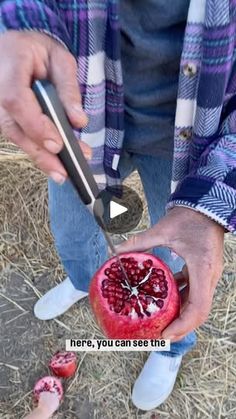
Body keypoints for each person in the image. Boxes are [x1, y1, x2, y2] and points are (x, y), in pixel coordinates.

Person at [0, 0, 234, 411]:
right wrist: (21, 22)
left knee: (173, 268)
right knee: (72, 234)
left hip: (189, 144)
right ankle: (83, 281)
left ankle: (169, 347)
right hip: (87, 123)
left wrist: (213, 195)